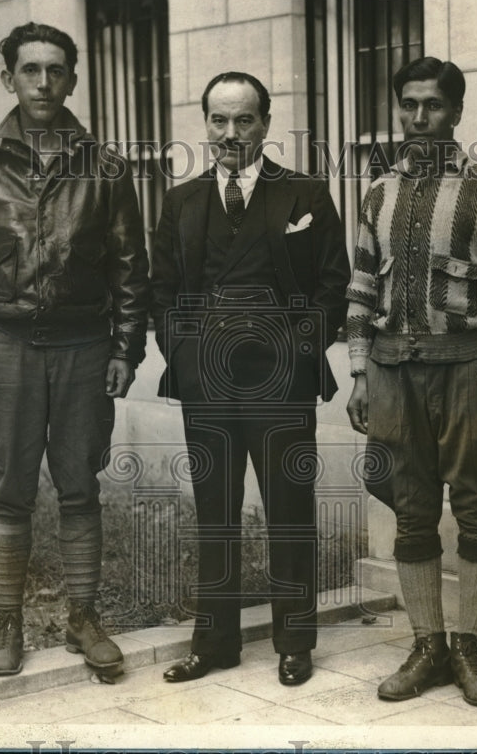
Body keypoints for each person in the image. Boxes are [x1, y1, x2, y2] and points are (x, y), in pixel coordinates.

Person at [0, 22, 149, 678]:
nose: (44, 83)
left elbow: (130, 269)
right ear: (9, 79)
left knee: (80, 488)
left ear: (73, 80)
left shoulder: (105, 168)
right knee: (10, 492)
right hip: (8, 346)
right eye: (30, 70)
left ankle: (84, 617)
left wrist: (126, 351)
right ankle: (7, 621)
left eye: (56, 70)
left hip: (84, 346)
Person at [345, 56, 477, 706]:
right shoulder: (378, 191)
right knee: (411, 512)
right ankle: (427, 646)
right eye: (409, 105)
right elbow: (359, 285)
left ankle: (470, 649)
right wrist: (356, 372)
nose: (419, 118)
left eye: (432, 105)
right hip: (393, 371)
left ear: (456, 111)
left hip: (467, 368)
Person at [150, 72, 350, 686]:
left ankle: (295, 640)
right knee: (215, 513)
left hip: (281, 382)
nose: (230, 134)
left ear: (265, 123)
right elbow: (161, 289)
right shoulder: (181, 201)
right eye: (218, 121)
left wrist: (298, 353)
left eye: (243, 120)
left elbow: (333, 285)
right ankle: (215, 643)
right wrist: (182, 352)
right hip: (206, 382)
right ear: (204, 123)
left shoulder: (305, 194)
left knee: (289, 510)